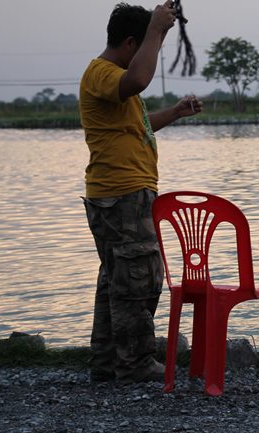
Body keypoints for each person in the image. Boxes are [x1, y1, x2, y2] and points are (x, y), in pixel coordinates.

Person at [79, 1, 203, 385]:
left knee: (116, 279)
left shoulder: (113, 80)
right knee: (137, 279)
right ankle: (134, 365)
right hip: (122, 196)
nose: (154, 52)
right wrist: (156, 30)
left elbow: (140, 125)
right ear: (132, 42)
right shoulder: (103, 73)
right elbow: (138, 81)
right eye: (149, 44)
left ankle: (106, 362)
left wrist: (176, 113)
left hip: (121, 195)